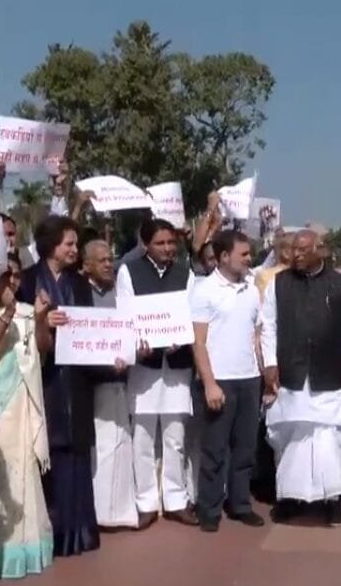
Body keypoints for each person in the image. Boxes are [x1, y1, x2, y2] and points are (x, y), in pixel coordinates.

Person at [16, 215, 101, 556]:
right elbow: (17, 330)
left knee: (77, 449)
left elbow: (93, 327)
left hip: (77, 378)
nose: (74, 249)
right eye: (69, 243)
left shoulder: (80, 284)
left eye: (75, 244)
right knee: (47, 450)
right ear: (51, 245)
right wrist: (40, 321)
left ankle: (78, 530)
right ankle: (49, 530)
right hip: (44, 378)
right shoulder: (26, 281)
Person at [0, 254, 54, 579]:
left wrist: (41, 319)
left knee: (24, 474)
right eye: (6, 275)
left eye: (17, 275)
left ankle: (27, 546)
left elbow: (44, 348)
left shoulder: (29, 310)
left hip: (22, 403)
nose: (12, 282)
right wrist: (8, 314)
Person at [261, 229, 341, 524]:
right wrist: (270, 363)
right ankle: (289, 497)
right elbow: (269, 325)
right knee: (290, 435)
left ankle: (331, 498)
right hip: (291, 372)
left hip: (328, 373)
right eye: (293, 250)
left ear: (320, 250)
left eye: (303, 250)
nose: (296, 255)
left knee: (330, 436)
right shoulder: (279, 283)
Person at [116, 218, 198, 527]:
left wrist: (182, 336)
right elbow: (126, 312)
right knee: (144, 435)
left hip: (177, 365)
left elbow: (190, 312)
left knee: (175, 435)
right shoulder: (129, 271)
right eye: (160, 243)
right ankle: (146, 501)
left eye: (171, 242)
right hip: (145, 365)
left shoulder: (185, 272)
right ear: (146, 245)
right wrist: (137, 342)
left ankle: (176, 499)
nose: (167, 248)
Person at [190, 230, 265, 532]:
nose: (249, 259)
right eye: (244, 254)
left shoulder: (251, 289)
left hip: (249, 379)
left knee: (245, 448)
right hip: (219, 380)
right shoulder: (204, 290)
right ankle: (209, 509)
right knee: (214, 449)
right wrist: (209, 383)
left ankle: (240, 504)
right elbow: (198, 341)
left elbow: (257, 334)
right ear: (223, 257)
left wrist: (265, 373)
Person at [83, 239, 138, 529]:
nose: (109, 264)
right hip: (93, 383)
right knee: (101, 447)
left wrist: (134, 350)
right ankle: (99, 511)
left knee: (121, 444)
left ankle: (121, 511)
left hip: (121, 380)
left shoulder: (122, 293)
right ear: (87, 265)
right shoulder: (79, 294)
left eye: (111, 259)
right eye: (102, 260)